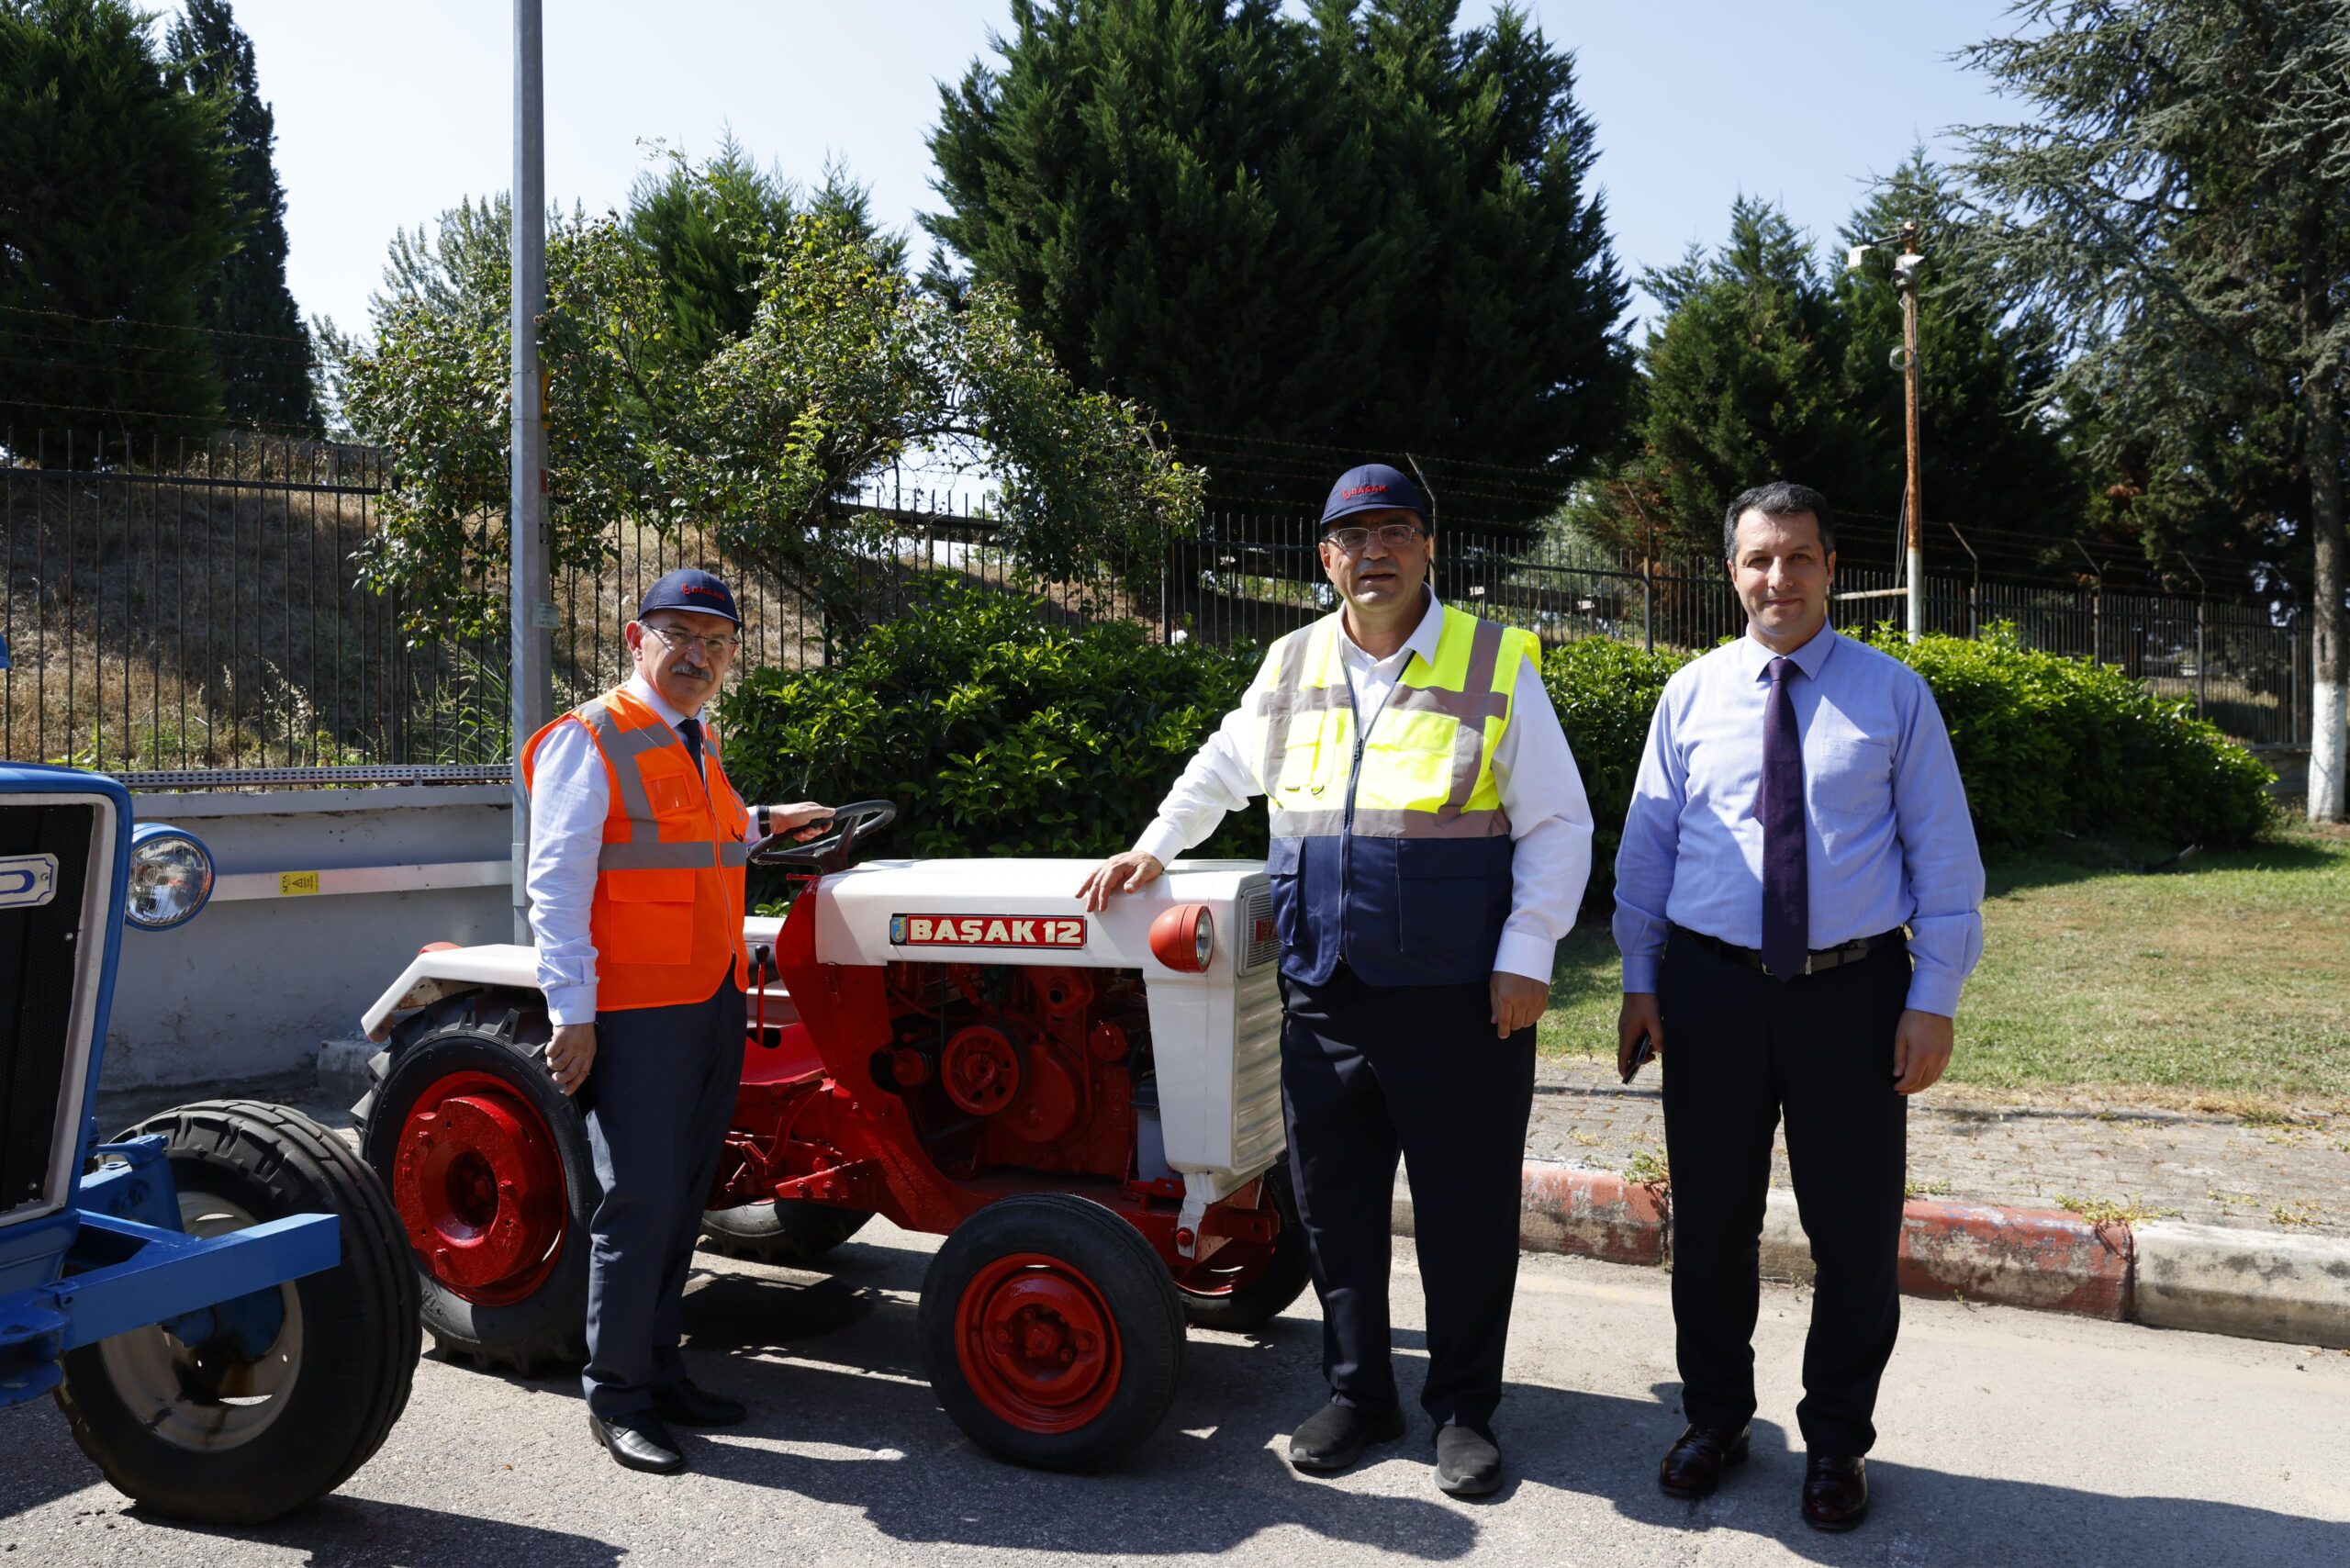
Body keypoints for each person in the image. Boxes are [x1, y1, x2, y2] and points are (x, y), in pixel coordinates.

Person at [1080, 464, 1594, 1496]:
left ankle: (1463, 1409)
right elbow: (1224, 767)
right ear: (1326, 559)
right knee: (1333, 1207)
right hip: (1324, 990)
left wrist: (1527, 953)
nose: (1375, 553)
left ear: (1429, 549)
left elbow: (1557, 823)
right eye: (1352, 538)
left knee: (1464, 1208)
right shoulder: (1292, 659)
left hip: (1460, 998)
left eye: (1396, 532)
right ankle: (1360, 1393)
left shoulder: (1493, 661)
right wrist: (1154, 847)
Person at [1612, 481, 1985, 1531]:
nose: (1779, 578)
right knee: (1713, 1228)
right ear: (1730, 571)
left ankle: (1834, 1443)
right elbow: (1647, 855)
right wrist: (1641, 981)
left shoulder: (1893, 696)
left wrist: (1933, 999)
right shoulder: (1687, 696)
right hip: (1710, 990)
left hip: (1853, 999)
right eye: (1758, 559)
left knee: (1855, 1236)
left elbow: (1945, 858)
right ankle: (1716, 1419)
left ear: (1832, 567)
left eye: (1800, 557)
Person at [520, 566, 832, 1475]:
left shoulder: (695, 738)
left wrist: (774, 821)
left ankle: (661, 1369)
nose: (697, 656)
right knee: (641, 1199)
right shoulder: (594, 736)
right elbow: (557, 883)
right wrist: (571, 1015)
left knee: (685, 1195)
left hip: (708, 996)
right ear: (635, 638)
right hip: (633, 1008)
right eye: (679, 636)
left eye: (717, 643)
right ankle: (616, 1395)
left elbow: (710, 836)